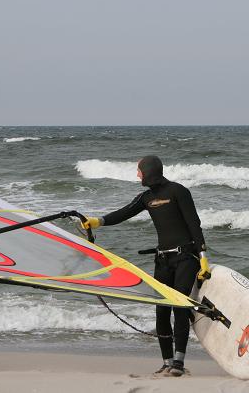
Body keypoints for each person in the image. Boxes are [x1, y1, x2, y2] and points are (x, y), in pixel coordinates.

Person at [81, 155, 210, 377]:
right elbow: (124, 212)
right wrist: (98, 221)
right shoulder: (146, 197)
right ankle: (166, 361)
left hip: (185, 258)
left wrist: (203, 257)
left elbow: (193, 224)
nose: (137, 174)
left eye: (139, 170)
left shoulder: (179, 192)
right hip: (163, 260)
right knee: (161, 310)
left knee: (180, 306)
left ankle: (178, 362)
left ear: (149, 171)